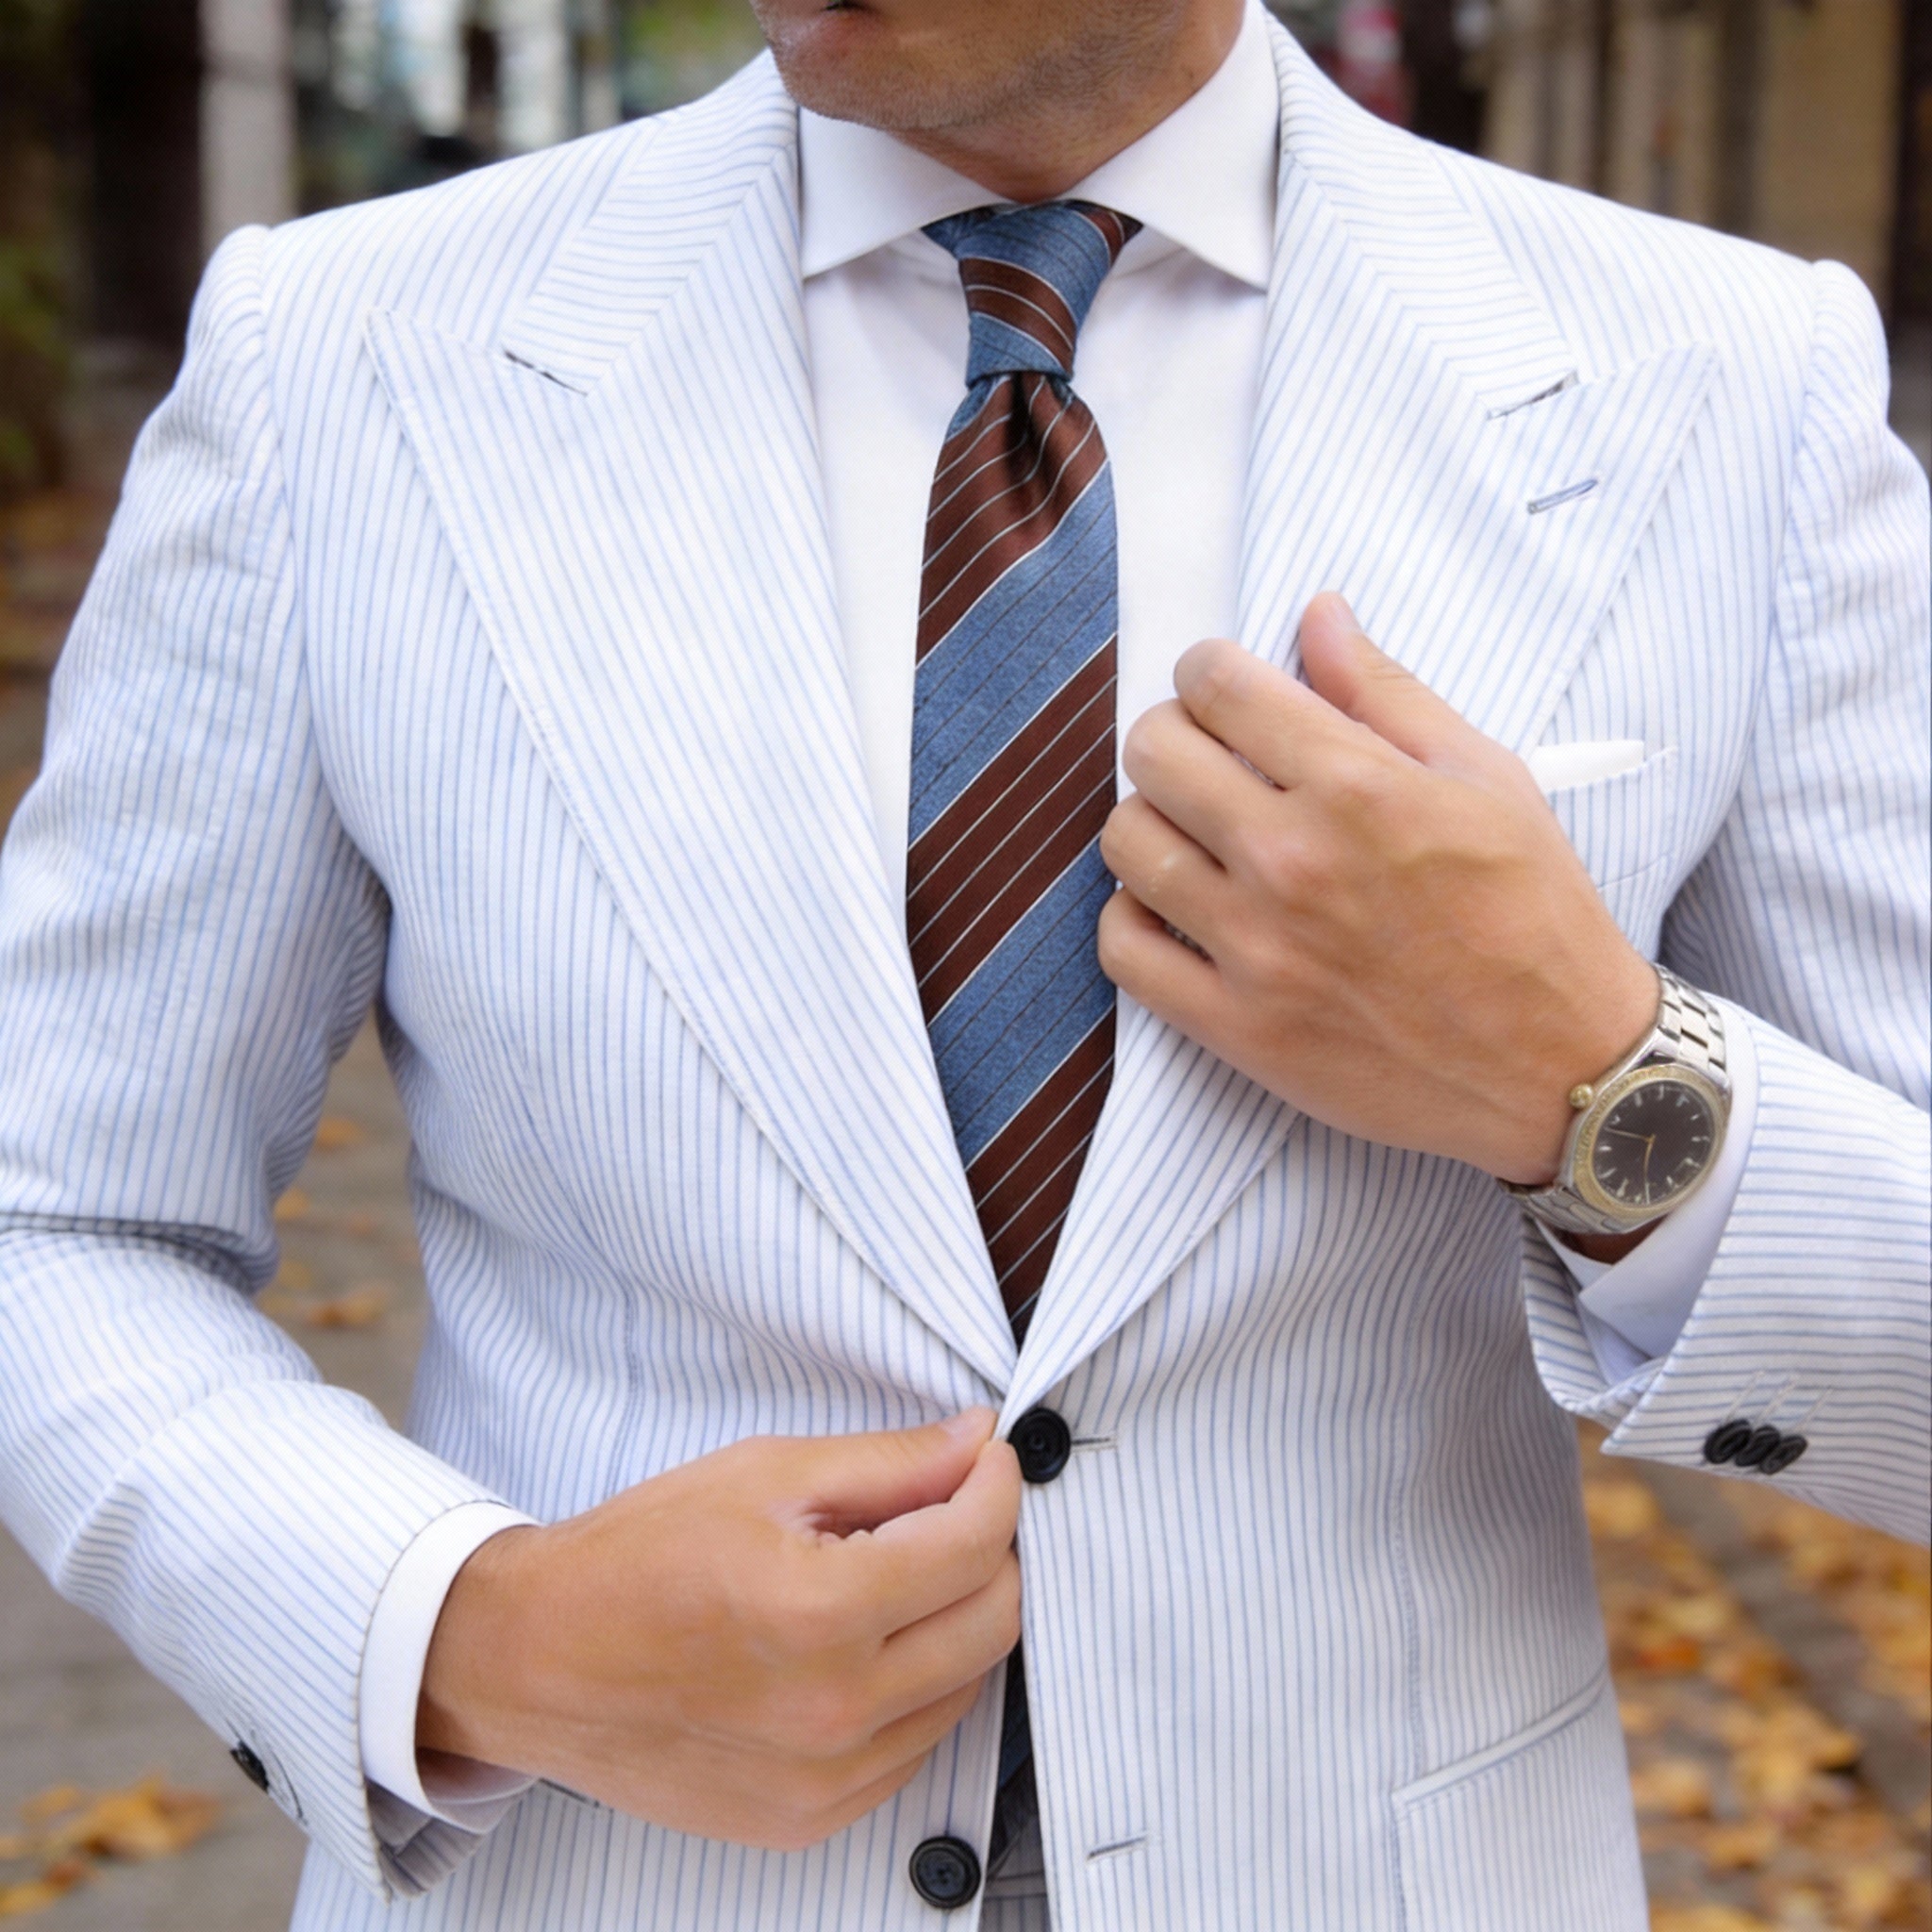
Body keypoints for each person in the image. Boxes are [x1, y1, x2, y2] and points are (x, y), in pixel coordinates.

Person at [0, 0, 1924, 1925]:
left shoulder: (1728, 388)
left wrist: (1592, 1083)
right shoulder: (337, 362)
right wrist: (464, 1632)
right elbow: (57, 1215)